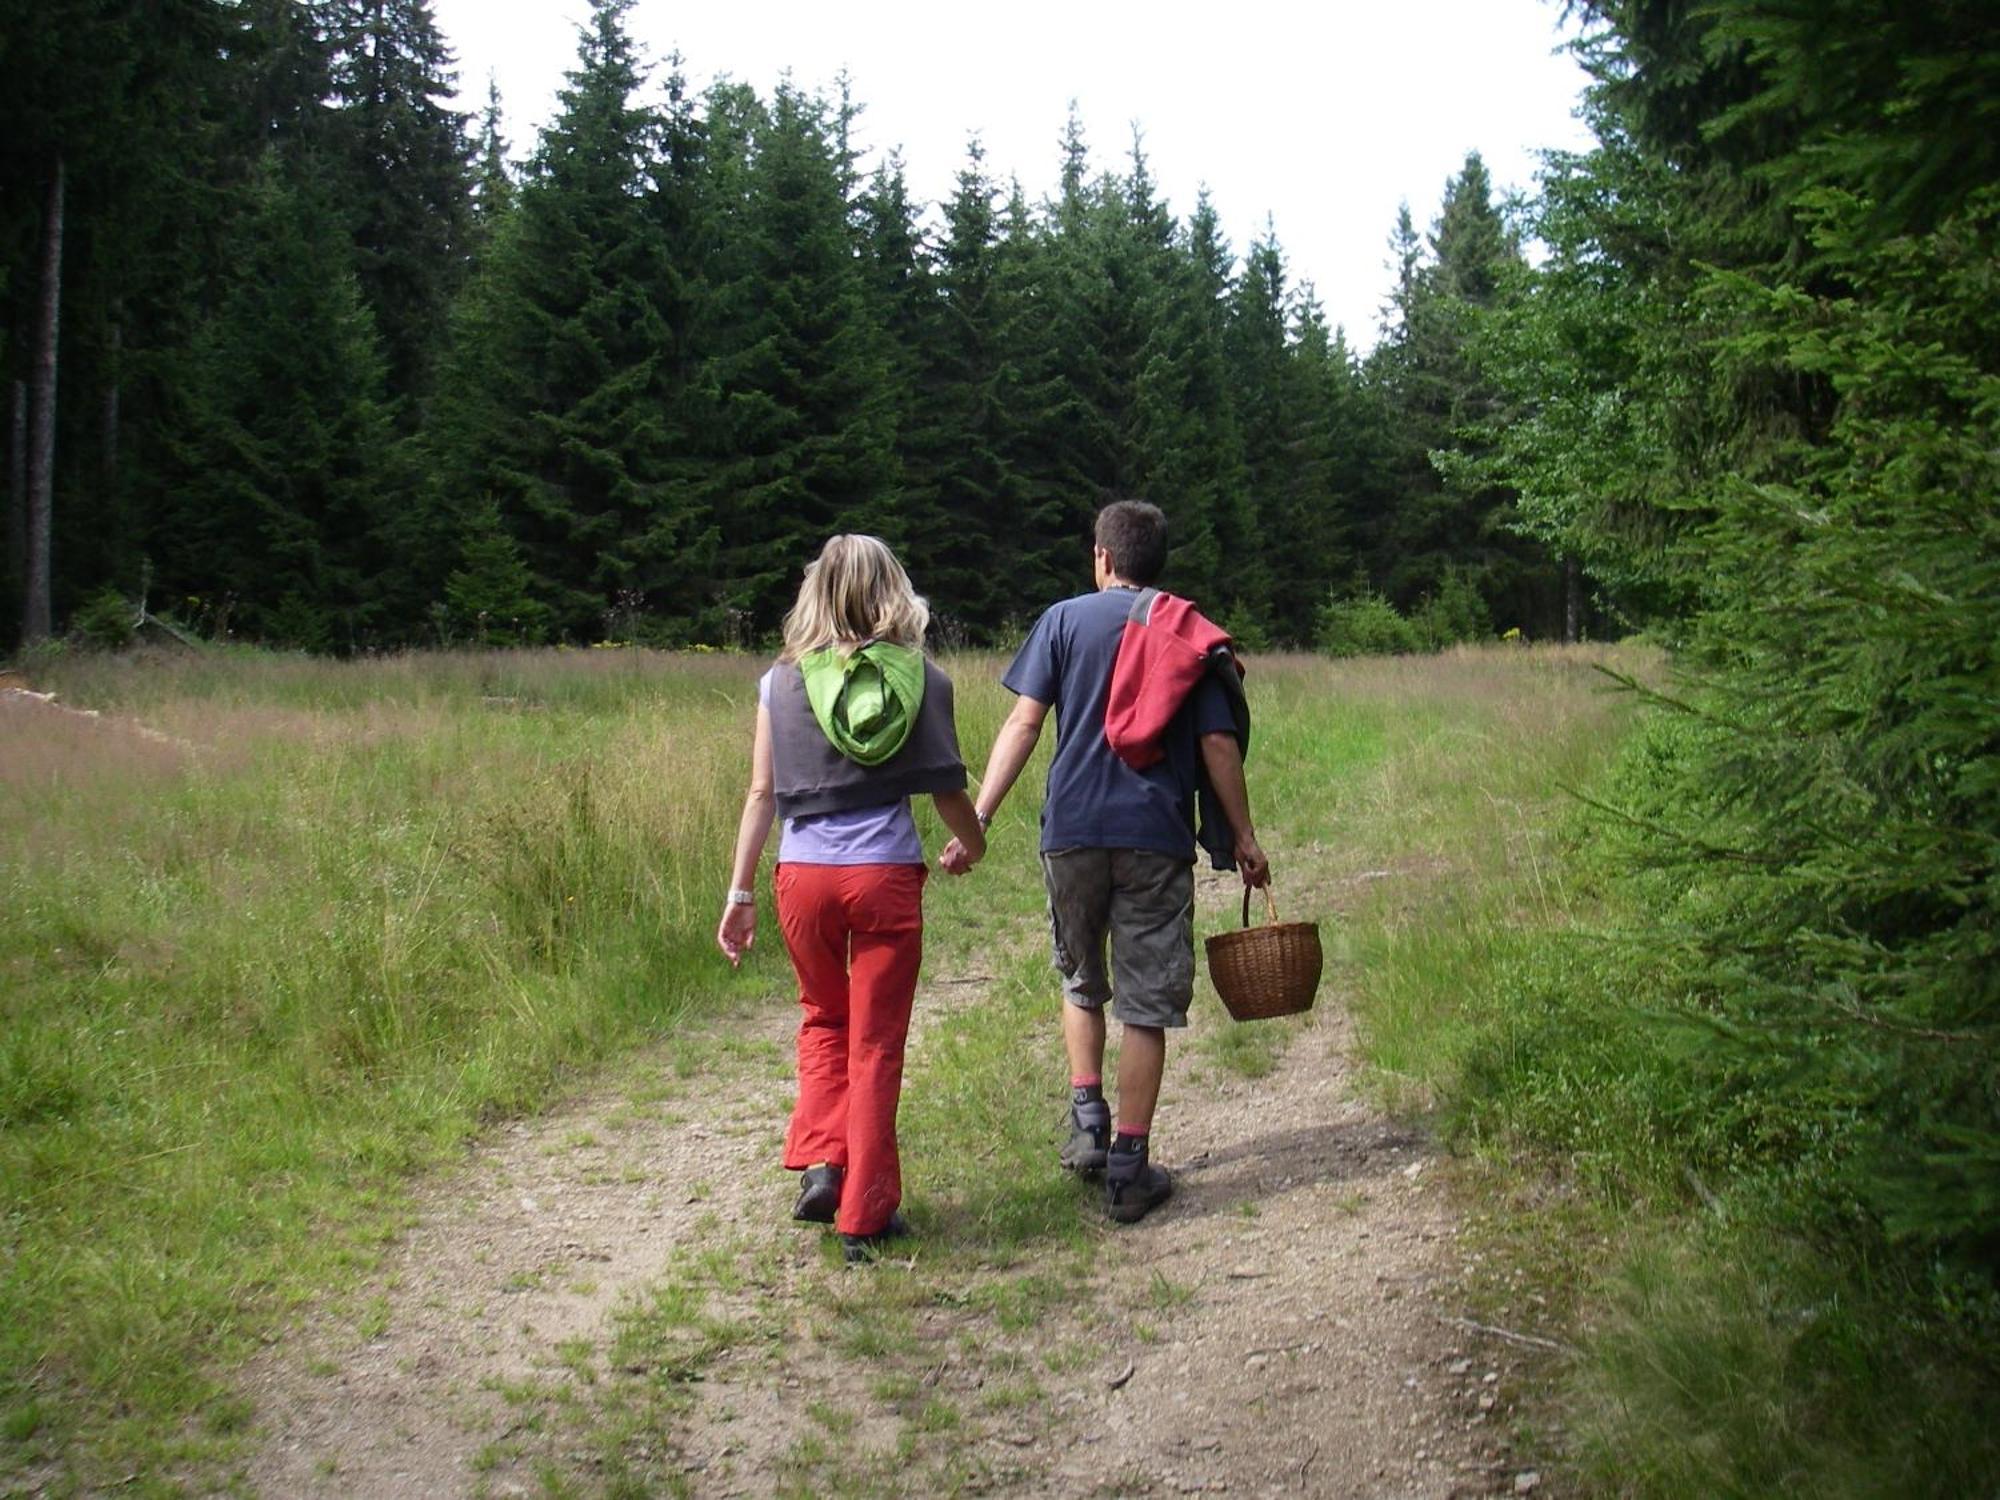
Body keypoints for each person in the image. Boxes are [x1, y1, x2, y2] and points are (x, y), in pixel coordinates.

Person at [941, 499, 1270, 1223]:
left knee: (1082, 978)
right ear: (1157, 562)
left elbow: (1025, 723)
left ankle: (1087, 1122)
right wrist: (1243, 836)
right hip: (1154, 834)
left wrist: (981, 817)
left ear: (1102, 557)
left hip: (1073, 832)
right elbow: (1218, 746)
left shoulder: (1062, 621)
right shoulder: (1189, 630)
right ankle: (1129, 1166)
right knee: (1146, 1003)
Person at [718, 535, 986, 1262]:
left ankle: (821, 1164)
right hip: (883, 877)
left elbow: (761, 794)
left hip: (802, 877)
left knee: (823, 1019)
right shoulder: (922, 679)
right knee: (875, 1043)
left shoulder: (780, 683)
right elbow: (945, 787)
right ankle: (864, 1213)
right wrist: (977, 840)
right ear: (894, 591)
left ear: (814, 592)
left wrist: (740, 892)